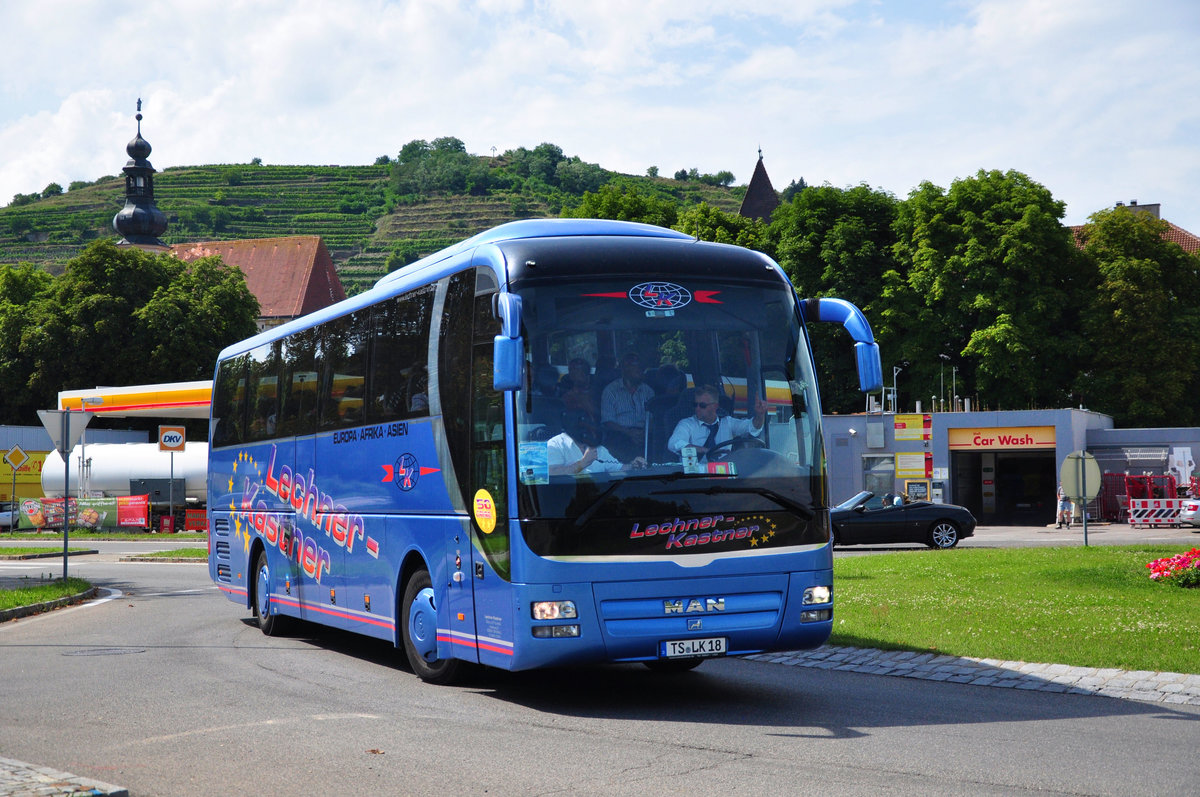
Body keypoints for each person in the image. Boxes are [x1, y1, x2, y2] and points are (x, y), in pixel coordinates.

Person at [667, 384, 767, 463]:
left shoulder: (727, 422)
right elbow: (674, 443)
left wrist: (760, 415)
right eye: (695, 404)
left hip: (724, 477)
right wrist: (705, 450)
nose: (697, 408)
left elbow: (753, 428)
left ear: (715, 406)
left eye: (702, 405)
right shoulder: (686, 424)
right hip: (694, 478)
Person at [547, 410, 646, 475]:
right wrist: (582, 463)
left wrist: (633, 465)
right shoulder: (554, 445)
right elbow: (550, 474)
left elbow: (618, 468)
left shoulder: (597, 447)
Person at [600, 352, 655, 461]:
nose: (640, 370)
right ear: (624, 369)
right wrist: (629, 433)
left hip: (645, 434)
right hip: (621, 434)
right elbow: (607, 421)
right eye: (635, 366)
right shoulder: (610, 391)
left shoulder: (648, 391)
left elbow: (653, 417)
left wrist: (644, 433)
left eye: (640, 367)